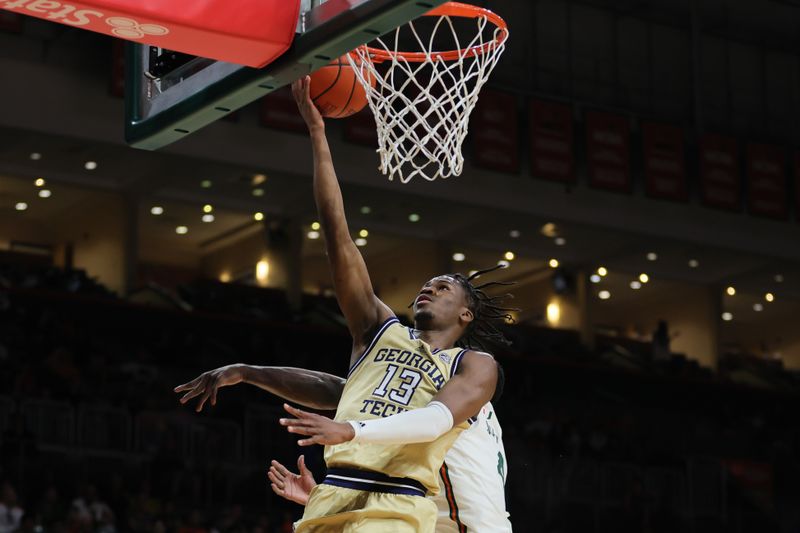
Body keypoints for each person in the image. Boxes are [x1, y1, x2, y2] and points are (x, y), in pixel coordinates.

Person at [179, 75, 516, 532]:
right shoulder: (383, 336)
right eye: (427, 282)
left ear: (466, 313)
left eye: (443, 286)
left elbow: (430, 419)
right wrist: (318, 136)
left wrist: (349, 432)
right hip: (342, 496)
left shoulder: (472, 366)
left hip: (460, 520)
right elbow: (337, 239)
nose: (429, 288)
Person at [174, 365, 512, 532]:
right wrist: (326, 496)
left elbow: (337, 390)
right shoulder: (483, 431)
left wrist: (247, 373)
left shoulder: (454, 399)